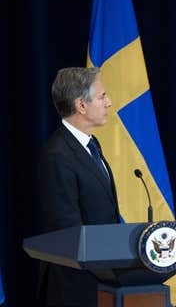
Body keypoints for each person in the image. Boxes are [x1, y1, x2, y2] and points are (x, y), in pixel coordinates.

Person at [37, 67, 119, 307]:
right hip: (74, 286)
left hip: (102, 280)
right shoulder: (57, 155)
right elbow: (68, 230)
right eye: (102, 96)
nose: (109, 102)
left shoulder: (92, 145)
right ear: (81, 106)